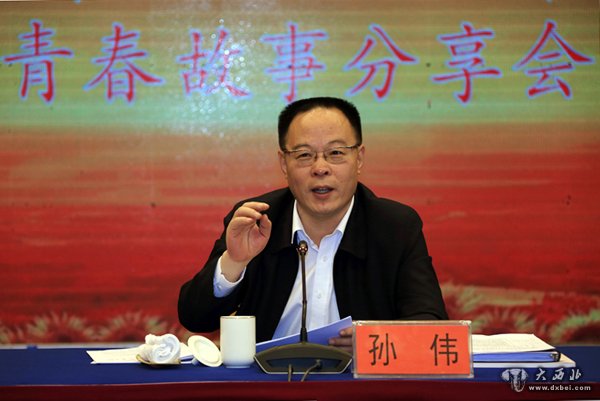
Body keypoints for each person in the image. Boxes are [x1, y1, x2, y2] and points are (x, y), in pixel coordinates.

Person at [178, 97, 447, 352]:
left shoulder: (394, 227)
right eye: (304, 155)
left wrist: (374, 341)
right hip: (268, 379)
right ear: (284, 163)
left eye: (336, 152)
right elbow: (195, 317)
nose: (320, 168)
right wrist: (235, 262)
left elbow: (430, 322)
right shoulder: (256, 221)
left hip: (359, 380)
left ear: (359, 158)